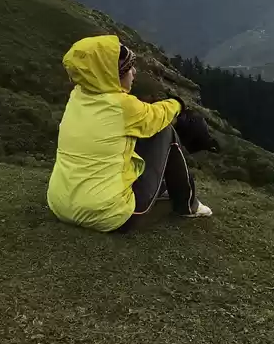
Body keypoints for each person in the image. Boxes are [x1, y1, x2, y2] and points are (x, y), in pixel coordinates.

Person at [47, 35, 213, 232]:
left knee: (132, 137)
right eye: (128, 68)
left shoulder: (77, 96)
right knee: (164, 131)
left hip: (60, 206)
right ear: (112, 75)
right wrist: (178, 104)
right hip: (109, 216)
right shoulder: (123, 107)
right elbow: (157, 116)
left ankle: (163, 189)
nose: (134, 72)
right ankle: (187, 205)